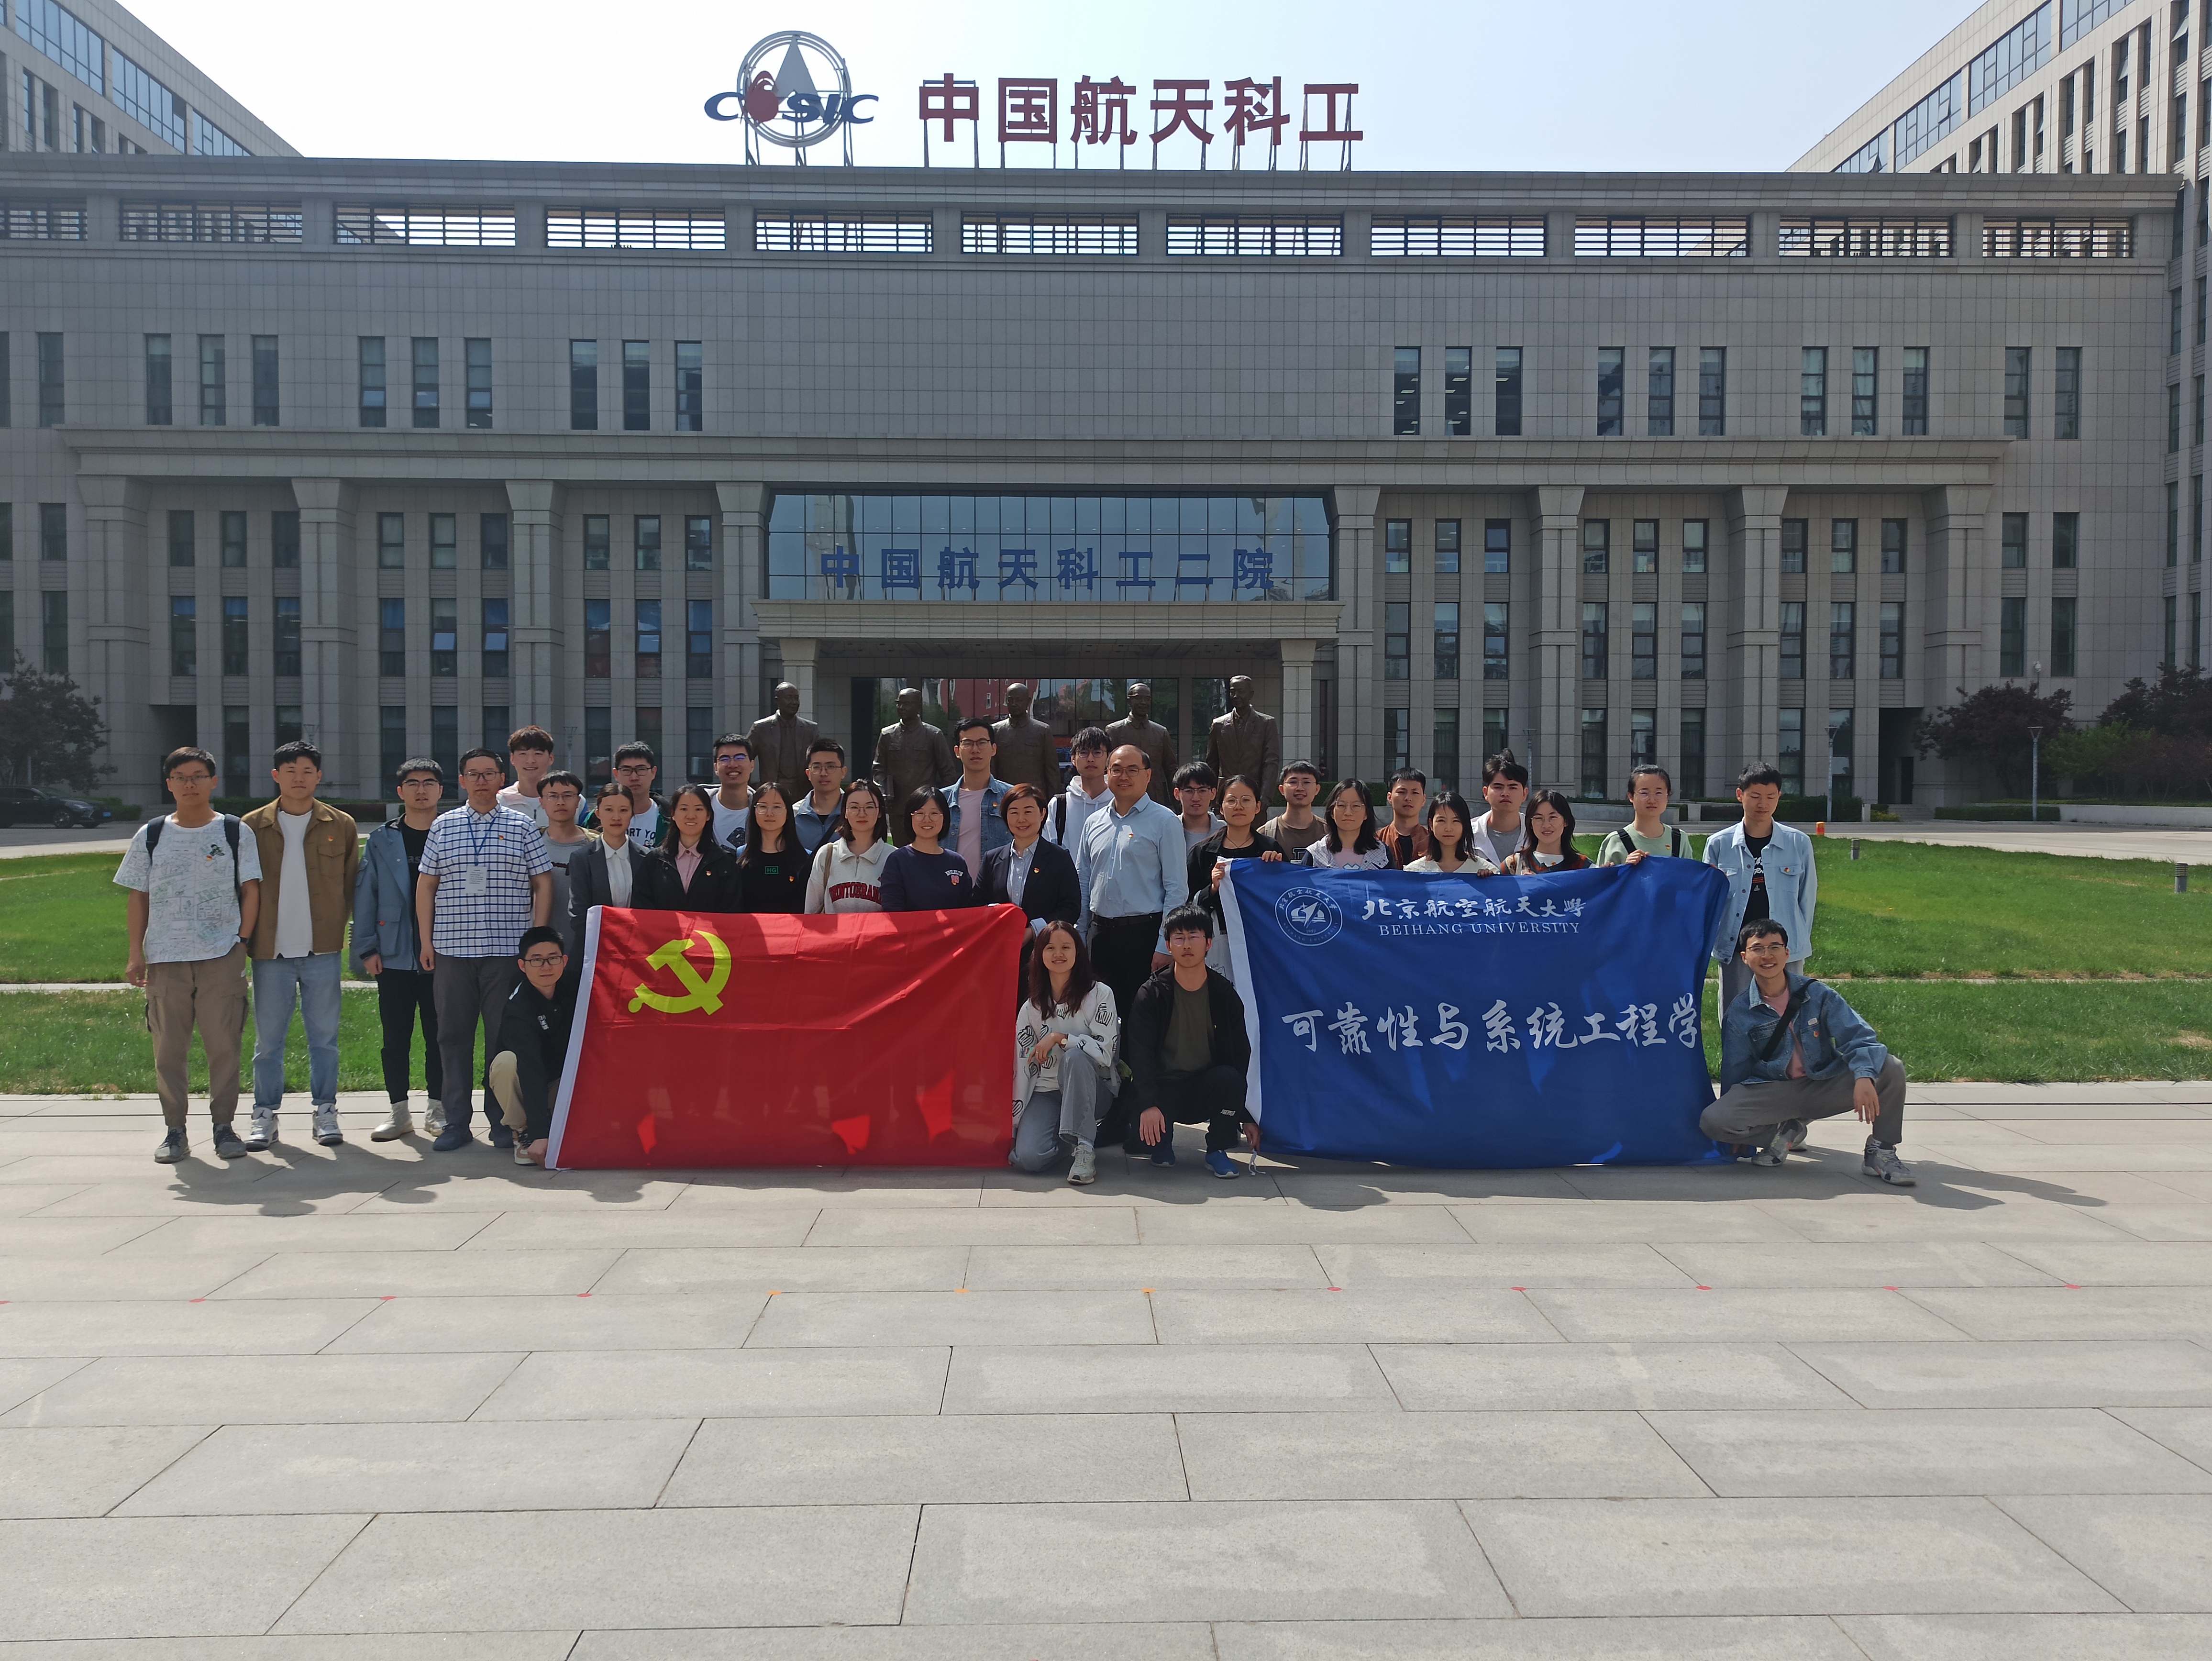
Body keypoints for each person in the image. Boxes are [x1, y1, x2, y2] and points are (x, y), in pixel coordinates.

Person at [116, 746, 263, 1164]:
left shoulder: (234, 831)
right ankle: (175, 1130)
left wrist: (242, 941)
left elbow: (251, 889)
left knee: (225, 1046)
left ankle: (224, 1127)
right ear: (169, 784)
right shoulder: (152, 835)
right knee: (168, 1049)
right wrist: (136, 954)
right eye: (181, 777)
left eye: (199, 776)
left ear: (213, 782)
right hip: (166, 958)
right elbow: (139, 896)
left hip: (221, 954)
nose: (190, 784)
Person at [1703, 919, 1913, 1186]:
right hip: (1776, 1090)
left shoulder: (1818, 994)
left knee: (1890, 1068)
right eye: (1758, 949)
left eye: (1775, 947)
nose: (1767, 956)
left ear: (1787, 953)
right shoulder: (1740, 1011)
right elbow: (1736, 1069)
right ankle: (1782, 1132)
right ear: (1745, 957)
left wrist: (1863, 1076)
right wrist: (1737, 1125)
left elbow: (1859, 1037)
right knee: (1713, 1121)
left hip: (1824, 1083)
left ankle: (1881, 1151)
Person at [416, 746, 553, 1153]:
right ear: (462, 781)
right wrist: (426, 941)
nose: (481, 781)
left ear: (500, 779)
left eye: (489, 774)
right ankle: (456, 1123)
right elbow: (427, 885)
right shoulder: (444, 826)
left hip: (505, 951)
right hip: (452, 950)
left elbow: (542, 882)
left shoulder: (522, 826)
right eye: (473, 774)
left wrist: (536, 940)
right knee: (452, 1037)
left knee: (502, 1039)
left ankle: (502, 1122)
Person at [240, 739, 359, 1151]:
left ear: (319, 776)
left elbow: (350, 884)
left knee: (324, 1039)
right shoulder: (251, 826)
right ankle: (264, 1115)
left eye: (307, 771)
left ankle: (325, 1111)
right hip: (268, 952)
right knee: (268, 1043)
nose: (299, 778)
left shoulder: (340, 824)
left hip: (321, 951)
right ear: (276, 776)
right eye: (290, 771)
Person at [1072, 744, 1190, 1055]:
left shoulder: (1165, 821)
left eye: (1132, 770)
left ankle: (1140, 1084)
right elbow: (1083, 883)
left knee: (1144, 1021)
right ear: (1107, 774)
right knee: (1100, 1017)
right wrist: (1081, 936)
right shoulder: (1094, 822)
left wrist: (1165, 945)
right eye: (1117, 769)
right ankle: (1107, 1080)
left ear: (1148, 775)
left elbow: (1177, 888)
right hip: (1099, 936)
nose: (1123, 776)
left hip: (1145, 936)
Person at [1124, 905, 1256, 1178]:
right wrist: (1147, 1103)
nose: (1186, 945)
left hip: (1204, 1086)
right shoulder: (1151, 994)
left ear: (1208, 943)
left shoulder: (1223, 994)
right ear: (1168, 945)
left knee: (1230, 1079)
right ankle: (1162, 1144)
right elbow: (1139, 1054)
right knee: (1150, 1148)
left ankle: (1217, 1150)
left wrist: (1245, 1114)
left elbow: (1241, 1055)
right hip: (1162, 1088)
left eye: (1194, 936)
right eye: (1179, 938)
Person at [354, 757, 446, 1141]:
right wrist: (366, 948)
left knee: (440, 1036)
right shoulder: (382, 838)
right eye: (413, 783)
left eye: (428, 783)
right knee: (395, 1037)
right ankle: (398, 1111)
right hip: (393, 953)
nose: (421, 790)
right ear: (400, 791)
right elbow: (366, 894)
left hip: (443, 951)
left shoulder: (451, 831)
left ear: (441, 790)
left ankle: (438, 1109)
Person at [1012, 920, 1119, 1185]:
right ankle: (1068, 1140)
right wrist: (1016, 1124)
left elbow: (1106, 1053)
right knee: (1029, 1158)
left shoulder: (1100, 994)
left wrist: (1061, 1039)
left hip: (1094, 1090)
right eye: (1050, 948)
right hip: (1047, 1092)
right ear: (1040, 955)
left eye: (1066, 947)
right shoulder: (1031, 1008)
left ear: (1078, 951)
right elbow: (1023, 1068)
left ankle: (1084, 1148)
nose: (1058, 954)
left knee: (1075, 1057)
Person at [1704, 762, 1818, 1010]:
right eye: (1755, 796)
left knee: (1787, 1015)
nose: (1763, 804)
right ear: (1740, 795)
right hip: (1737, 947)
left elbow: (1807, 899)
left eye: (1770, 796)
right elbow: (1709, 901)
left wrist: (1797, 941)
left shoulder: (1798, 843)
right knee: (1737, 1013)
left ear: (1779, 796)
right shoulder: (1719, 844)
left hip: (1785, 948)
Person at [487, 925, 574, 1169]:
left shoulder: (578, 987)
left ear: (564, 961)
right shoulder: (518, 1007)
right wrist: (539, 1134)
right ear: (522, 965)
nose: (546, 967)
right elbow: (530, 1066)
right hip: (527, 1083)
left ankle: (564, 1124)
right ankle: (523, 1131)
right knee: (505, 1063)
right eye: (537, 960)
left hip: (563, 1083)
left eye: (553, 958)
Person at [1190, 774, 1282, 973]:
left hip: (1262, 944)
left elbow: (1283, 901)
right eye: (1231, 801)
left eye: (1246, 800)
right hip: (1217, 944)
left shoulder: (1270, 850)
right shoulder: (1203, 852)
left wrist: (1276, 871)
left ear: (1257, 807)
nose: (1238, 807)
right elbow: (1189, 905)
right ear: (1221, 808)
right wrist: (1212, 889)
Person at [979, 783, 1083, 931]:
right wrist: (995, 912)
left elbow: (1071, 908)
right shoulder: (992, 859)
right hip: (1000, 941)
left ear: (1042, 814)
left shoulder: (1060, 858)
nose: (1021, 819)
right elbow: (978, 903)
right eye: (1014, 813)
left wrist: (1034, 930)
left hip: (1044, 942)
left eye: (1028, 812)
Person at [637, 784, 741, 911]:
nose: (691, 816)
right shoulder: (655, 860)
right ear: (673, 814)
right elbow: (642, 907)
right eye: (684, 809)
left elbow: (731, 910)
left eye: (698, 809)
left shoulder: (724, 862)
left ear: (708, 815)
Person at [566, 781, 644, 948]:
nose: (616, 817)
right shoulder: (581, 859)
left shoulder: (647, 858)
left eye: (623, 810)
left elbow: (651, 911)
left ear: (632, 813)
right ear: (598, 813)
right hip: (595, 948)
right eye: (609, 810)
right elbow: (578, 913)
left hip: (638, 948)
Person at [873, 687, 957, 841]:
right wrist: (884, 791)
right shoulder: (887, 735)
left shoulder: (934, 734)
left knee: (928, 847)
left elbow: (948, 773)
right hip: (898, 807)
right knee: (901, 850)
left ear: (918, 707)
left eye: (907, 704)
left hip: (926, 807)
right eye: (899, 703)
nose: (901, 707)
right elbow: (879, 769)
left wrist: (944, 803)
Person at [880, 790, 982, 910]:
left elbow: (968, 911)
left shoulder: (957, 862)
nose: (927, 820)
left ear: (945, 817)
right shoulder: (898, 861)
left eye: (934, 813)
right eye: (920, 814)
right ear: (910, 817)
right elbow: (893, 910)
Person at [940, 718, 1014, 882]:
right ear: (957, 751)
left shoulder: (1011, 798)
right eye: (968, 743)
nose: (975, 750)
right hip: (950, 890)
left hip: (997, 890)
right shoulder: (941, 801)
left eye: (982, 743)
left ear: (993, 749)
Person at [806, 780, 894, 913]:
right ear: (845, 813)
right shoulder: (827, 854)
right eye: (854, 807)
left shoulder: (893, 858)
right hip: (834, 928)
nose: (862, 814)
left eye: (870, 807)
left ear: (880, 812)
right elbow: (811, 912)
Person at [1203, 674, 1282, 804]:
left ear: (1251, 694)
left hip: (1255, 793)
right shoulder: (1218, 725)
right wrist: (1213, 797)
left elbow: (1271, 762)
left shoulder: (1266, 723)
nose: (1236, 696)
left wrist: (1265, 797)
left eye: (1241, 692)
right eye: (1232, 692)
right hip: (1225, 794)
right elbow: (1212, 763)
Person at [538, 771, 590, 955]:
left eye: (568, 795)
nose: (560, 802)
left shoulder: (595, 845)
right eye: (553, 796)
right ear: (542, 802)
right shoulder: (530, 842)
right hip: (539, 945)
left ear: (578, 801)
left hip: (585, 945)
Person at [736, 781, 810, 912]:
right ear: (754, 811)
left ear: (788, 813)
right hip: (750, 925)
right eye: (763, 807)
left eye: (777, 807)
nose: (769, 813)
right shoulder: (740, 856)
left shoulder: (806, 859)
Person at [1598, 764, 1691, 864]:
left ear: (1667, 796)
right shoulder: (1615, 841)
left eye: (1659, 793)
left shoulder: (1679, 839)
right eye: (1644, 793)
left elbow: (1690, 873)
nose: (1652, 800)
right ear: (1631, 796)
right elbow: (1601, 875)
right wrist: (1624, 868)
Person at [1105, 681, 1178, 805]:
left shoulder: (1161, 732)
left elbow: (1171, 770)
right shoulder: (1115, 731)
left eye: (1147, 699)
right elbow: (1107, 770)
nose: (1143, 703)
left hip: (1155, 799)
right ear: (1129, 702)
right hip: (1124, 799)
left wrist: (1178, 805)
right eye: (1138, 698)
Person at [1044, 725, 1114, 850]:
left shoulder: (1118, 802)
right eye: (1084, 753)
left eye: (1097, 753)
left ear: (1109, 758)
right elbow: (1048, 849)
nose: (1091, 759)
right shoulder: (1059, 805)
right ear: (1073, 760)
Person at [746, 682, 819, 798]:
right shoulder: (761, 728)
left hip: (803, 792)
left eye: (796, 698)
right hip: (771, 791)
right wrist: (747, 789)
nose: (794, 702)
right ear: (778, 700)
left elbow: (819, 761)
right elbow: (745, 759)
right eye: (789, 698)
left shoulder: (810, 729)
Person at [1300, 779, 1392, 870]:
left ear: (1367, 814)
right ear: (1332, 812)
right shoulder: (1315, 855)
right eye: (1341, 805)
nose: (1348, 813)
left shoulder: (1382, 854)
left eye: (1356, 806)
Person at [992, 682, 1062, 795]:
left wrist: (1053, 800)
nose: (1014, 704)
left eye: (1019, 700)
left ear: (1028, 702)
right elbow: (991, 769)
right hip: (1005, 795)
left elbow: (1052, 771)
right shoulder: (995, 731)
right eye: (1010, 700)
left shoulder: (1043, 730)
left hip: (1035, 796)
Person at [1501, 789, 1591, 873]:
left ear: (1566, 821)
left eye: (1553, 817)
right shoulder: (1514, 865)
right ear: (1530, 823)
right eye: (1539, 818)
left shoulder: (1584, 868)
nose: (1546, 825)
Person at [1469, 750, 1530, 872]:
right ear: (1486, 793)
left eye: (1513, 788)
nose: (1505, 793)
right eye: (1498, 787)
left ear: (1525, 794)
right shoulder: (1467, 834)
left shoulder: (1535, 832)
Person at [597, 742, 667, 848]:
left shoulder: (671, 818)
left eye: (641, 770)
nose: (634, 777)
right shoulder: (596, 818)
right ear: (616, 774)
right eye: (626, 770)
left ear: (654, 772)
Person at [1404, 789, 1488, 874]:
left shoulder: (1483, 869)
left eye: (1456, 821)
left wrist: (1489, 878)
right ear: (1431, 824)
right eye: (1441, 821)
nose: (1448, 829)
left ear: (1465, 824)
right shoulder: (1415, 871)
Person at [1259, 760, 1327, 861]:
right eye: (1293, 782)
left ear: (1317, 789)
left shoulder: (1329, 833)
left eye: (1306, 782)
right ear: (1282, 789)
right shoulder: (1265, 834)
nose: (1300, 788)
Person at [793, 738, 849, 855]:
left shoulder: (855, 812)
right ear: (808, 774)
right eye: (817, 767)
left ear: (843, 772)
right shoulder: (793, 815)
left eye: (831, 767)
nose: (823, 773)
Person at [495, 726, 557, 829]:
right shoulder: (499, 801)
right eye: (523, 754)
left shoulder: (570, 799)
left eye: (538, 754)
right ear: (512, 758)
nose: (530, 761)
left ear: (551, 758)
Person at [707, 734, 755, 852]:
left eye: (740, 758)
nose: (733, 765)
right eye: (725, 759)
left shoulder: (764, 809)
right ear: (716, 768)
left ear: (752, 765)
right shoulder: (700, 805)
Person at [1376, 768, 1431, 867]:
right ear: (1390, 797)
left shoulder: (1433, 842)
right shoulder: (1377, 840)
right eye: (1402, 792)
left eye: (1415, 793)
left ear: (1424, 800)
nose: (1408, 798)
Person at [1173, 760, 1224, 852]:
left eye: (1202, 791)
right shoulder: (1168, 829)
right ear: (1177, 794)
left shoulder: (1225, 831)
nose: (1196, 798)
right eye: (1189, 791)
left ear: (1213, 793)